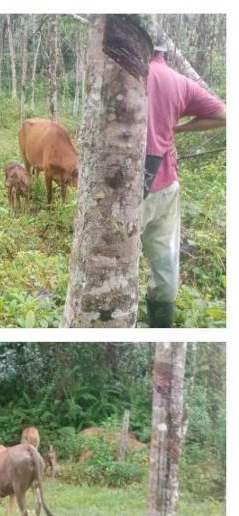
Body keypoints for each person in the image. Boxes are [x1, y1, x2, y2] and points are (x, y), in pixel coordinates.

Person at [143, 41, 225, 327]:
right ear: (164, 52)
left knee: (117, 263)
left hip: (130, 190)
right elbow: (223, 114)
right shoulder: (180, 82)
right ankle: (160, 325)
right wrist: (178, 128)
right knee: (165, 264)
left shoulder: (129, 72)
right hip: (166, 184)